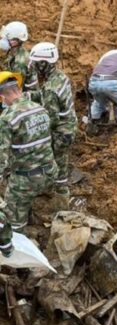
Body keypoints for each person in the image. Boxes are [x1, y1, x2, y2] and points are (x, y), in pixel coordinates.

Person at [0, 71, 57, 255]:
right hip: (50, 172)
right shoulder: (40, 109)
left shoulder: (8, 118)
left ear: (2, 97)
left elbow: (1, 156)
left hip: (27, 180)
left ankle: (18, 252)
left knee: (11, 216)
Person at [29, 42, 77, 209]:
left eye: (36, 63)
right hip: (68, 127)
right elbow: (44, 95)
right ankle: (59, 194)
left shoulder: (50, 88)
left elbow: (51, 119)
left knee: (52, 161)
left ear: (44, 63)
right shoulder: (60, 77)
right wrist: (26, 97)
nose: (33, 66)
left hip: (60, 132)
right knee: (61, 160)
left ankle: (59, 202)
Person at [0, 21, 38, 91]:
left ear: (15, 41)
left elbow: (14, 89)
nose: (2, 40)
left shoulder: (20, 62)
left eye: (6, 39)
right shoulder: (14, 52)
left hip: (24, 96)